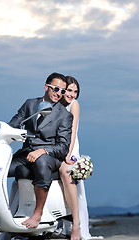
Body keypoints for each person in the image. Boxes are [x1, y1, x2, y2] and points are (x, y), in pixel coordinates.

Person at [7, 72, 76, 232]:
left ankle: (38, 213)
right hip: (25, 154)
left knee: (41, 161)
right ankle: (2, 211)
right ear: (46, 87)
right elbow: (13, 124)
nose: (59, 93)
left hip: (50, 156)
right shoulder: (30, 104)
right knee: (0, 168)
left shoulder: (64, 115)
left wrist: (42, 150)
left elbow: (63, 147)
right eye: (56, 89)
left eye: (62, 91)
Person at [59, 76, 92, 239]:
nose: (72, 94)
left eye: (75, 91)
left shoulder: (74, 105)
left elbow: (72, 132)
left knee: (69, 178)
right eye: (69, 90)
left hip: (70, 149)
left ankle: (77, 225)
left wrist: (68, 153)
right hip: (57, 148)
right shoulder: (56, 104)